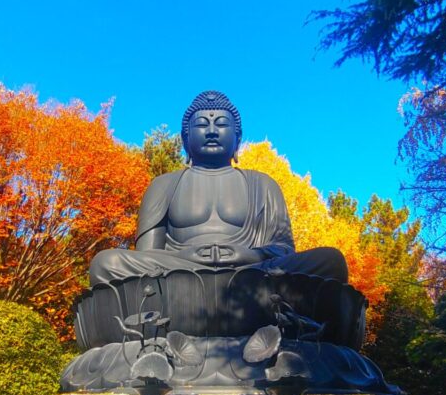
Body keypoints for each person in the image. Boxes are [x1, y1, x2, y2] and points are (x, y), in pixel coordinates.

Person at [88, 91, 348, 286]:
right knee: (105, 263)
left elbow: (283, 250)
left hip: (252, 274)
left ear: (238, 137)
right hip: (180, 274)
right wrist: (187, 256)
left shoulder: (263, 184)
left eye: (221, 124)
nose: (212, 131)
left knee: (331, 262)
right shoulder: (164, 185)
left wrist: (245, 255)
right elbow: (146, 255)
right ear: (185, 138)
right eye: (202, 125)